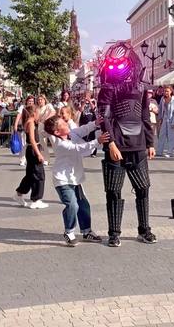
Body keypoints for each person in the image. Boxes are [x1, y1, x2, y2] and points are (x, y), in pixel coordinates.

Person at [97, 40, 157, 247]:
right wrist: (111, 143)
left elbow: (145, 115)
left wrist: (150, 143)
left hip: (138, 144)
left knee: (143, 188)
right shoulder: (107, 87)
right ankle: (114, 233)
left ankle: (144, 229)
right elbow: (104, 116)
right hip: (117, 144)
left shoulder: (141, 87)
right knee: (113, 190)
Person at [44, 115, 109, 246]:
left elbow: (83, 130)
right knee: (73, 205)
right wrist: (98, 141)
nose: (67, 124)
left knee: (84, 205)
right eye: (64, 124)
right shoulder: (61, 144)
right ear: (57, 132)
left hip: (75, 178)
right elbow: (79, 148)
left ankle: (86, 231)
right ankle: (69, 232)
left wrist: (95, 123)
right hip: (63, 180)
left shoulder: (70, 134)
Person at [13, 105, 48, 209]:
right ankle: (36, 199)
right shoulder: (31, 123)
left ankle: (19, 193)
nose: (39, 115)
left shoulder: (28, 122)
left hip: (30, 150)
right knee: (39, 175)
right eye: (38, 113)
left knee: (30, 174)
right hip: (33, 149)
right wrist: (38, 153)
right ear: (34, 113)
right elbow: (32, 140)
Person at [156, 86, 174, 158]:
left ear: (171, 92)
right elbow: (160, 109)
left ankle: (170, 152)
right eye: (165, 91)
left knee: (170, 136)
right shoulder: (162, 99)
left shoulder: (173, 99)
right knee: (161, 135)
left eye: (167, 91)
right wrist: (159, 119)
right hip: (164, 119)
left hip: (171, 119)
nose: (166, 92)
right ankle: (159, 151)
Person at [14, 95, 35, 166]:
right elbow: (18, 116)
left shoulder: (34, 108)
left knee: (30, 144)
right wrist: (15, 125)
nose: (31, 102)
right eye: (29, 101)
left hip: (32, 128)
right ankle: (22, 159)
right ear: (26, 101)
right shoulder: (22, 107)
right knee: (23, 144)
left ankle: (30, 158)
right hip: (23, 128)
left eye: (32, 101)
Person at [37, 94, 56, 165]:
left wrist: (46, 119)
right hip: (41, 127)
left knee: (54, 142)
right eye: (38, 100)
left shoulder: (48, 106)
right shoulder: (37, 108)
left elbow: (53, 112)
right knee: (42, 144)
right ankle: (46, 159)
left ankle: (59, 158)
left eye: (41, 99)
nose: (40, 101)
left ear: (44, 100)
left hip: (49, 126)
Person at [79, 91, 97, 157]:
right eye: (85, 95)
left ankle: (93, 152)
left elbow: (94, 108)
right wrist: (84, 103)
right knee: (83, 136)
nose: (86, 96)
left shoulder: (93, 101)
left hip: (91, 120)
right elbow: (80, 110)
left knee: (92, 136)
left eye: (87, 95)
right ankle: (84, 151)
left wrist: (89, 101)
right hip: (83, 120)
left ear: (90, 95)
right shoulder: (81, 101)